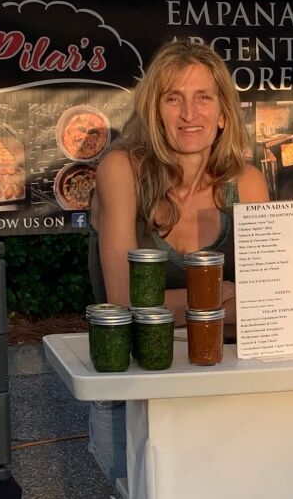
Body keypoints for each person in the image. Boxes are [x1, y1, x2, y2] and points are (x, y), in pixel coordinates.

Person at [90, 42, 268, 318]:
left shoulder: (247, 182)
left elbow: (263, 303)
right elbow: (124, 301)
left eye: (203, 98)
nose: (189, 113)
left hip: (229, 356)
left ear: (223, 114)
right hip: (141, 358)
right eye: (173, 98)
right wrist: (215, 294)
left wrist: (168, 304)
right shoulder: (121, 170)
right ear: (155, 113)